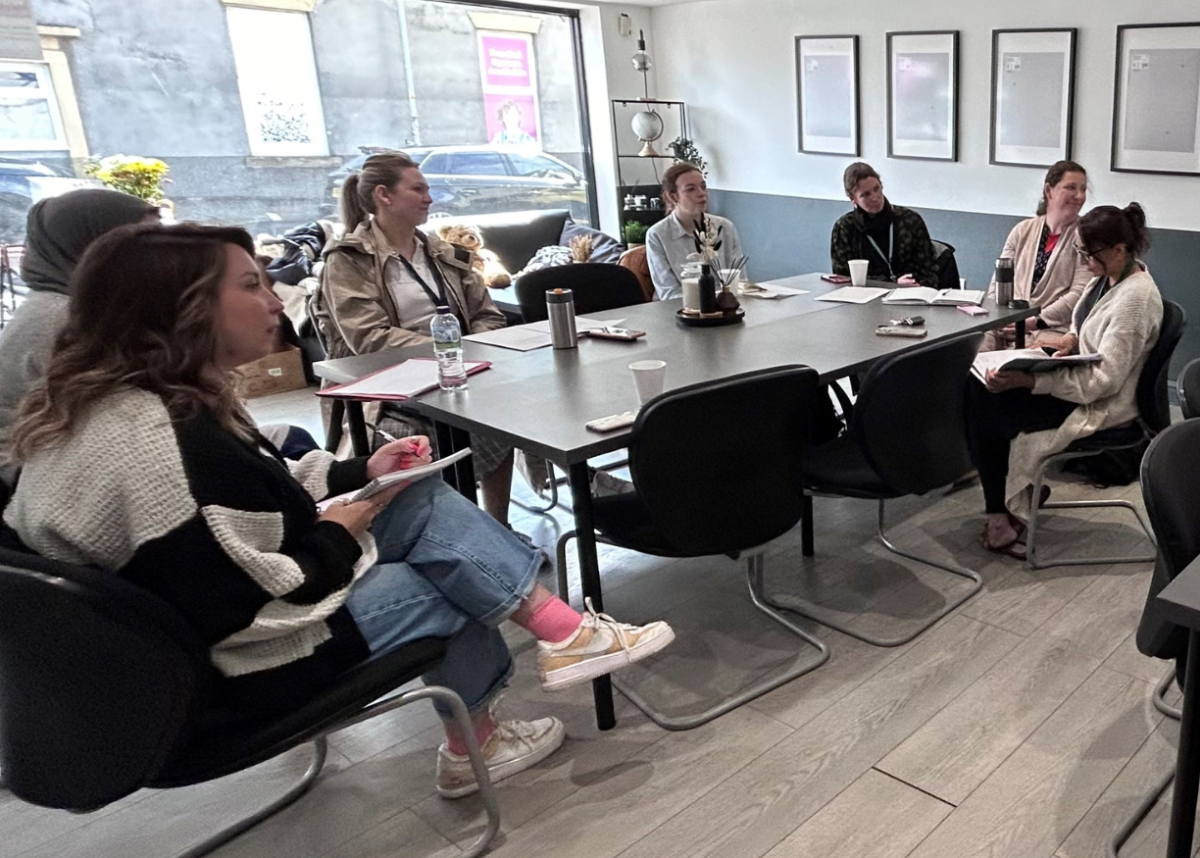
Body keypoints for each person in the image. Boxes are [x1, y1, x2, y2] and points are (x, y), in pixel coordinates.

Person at [0, 223, 676, 798]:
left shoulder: (132, 402)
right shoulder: (163, 444)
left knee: (413, 494)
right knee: (438, 579)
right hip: (212, 675)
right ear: (183, 309)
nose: (275, 302)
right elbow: (241, 606)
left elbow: (257, 492)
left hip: (154, 644)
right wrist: (335, 535)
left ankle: (555, 644)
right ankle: (491, 730)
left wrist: (361, 473)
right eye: (251, 285)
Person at [312, 151, 519, 524]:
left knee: (507, 418)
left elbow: (487, 316)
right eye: (418, 189)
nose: (429, 198)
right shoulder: (347, 260)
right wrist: (453, 354)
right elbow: (370, 339)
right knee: (404, 445)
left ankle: (498, 528)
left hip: (462, 376)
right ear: (383, 196)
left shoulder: (444, 254)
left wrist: (468, 356)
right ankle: (437, 532)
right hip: (388, 392)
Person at [964, 203, 1162, 557]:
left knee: (989, 408)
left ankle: (1003, 514)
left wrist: (1029, 382)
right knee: (979, 389)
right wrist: (1069, 341)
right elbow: (1081, 326)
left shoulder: (1136, 300)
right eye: (1081, 251)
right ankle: (1009, 504)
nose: (1085, 261)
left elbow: (1104, 382)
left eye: (1091, 253)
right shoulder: (1108, 278)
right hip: (1078, 383)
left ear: (1120, 249)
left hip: (1100, 405)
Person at [0, 189, 159, 482]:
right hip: (28, 477)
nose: (163, 253)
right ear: (90, 246)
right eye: (143, 241)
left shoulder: (77, 306)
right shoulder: (64, 318)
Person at [982, 161, 1093, 351]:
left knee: (1015, 362)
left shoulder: (1086, 236)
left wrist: (1032, 322)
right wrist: (999, 318)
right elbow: (998, 282)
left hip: (1052, 327)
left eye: (1083, 189)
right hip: (1007, 320)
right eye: (1071, 188)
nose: (1079, 196)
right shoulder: (1022, 230)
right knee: (970, 351)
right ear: (1049, 191)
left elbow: (1079, 294)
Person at [645, 163, 744, 301]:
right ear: (673, 197)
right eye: (691, 189)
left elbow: (740, 281)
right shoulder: (657, 235)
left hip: (725, 307)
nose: (701, 193)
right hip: (681, 311)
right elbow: (669, 293)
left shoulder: (725, 227)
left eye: (703, 186)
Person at [830, 162, 938, 288]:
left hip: (910, 294)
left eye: (877, 189)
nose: (875, 198)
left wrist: (910, 282)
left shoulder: (910, 220)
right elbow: (843, 278)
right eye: (865, 194)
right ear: (853, 198)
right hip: (864, 298)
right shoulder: (844, 228)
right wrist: (890, 283)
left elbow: (929, 271)